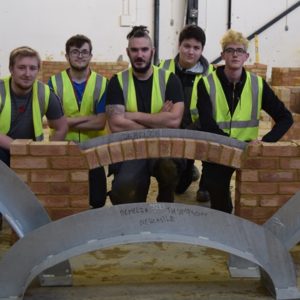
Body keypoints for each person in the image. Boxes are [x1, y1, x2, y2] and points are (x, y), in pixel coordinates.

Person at [196, 29, 293, 213]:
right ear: (222, 54)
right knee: (221, 204)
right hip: (218, 150)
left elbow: (285, 118)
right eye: (230, 50)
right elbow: (207, 124)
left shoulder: (257, 84)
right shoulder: (206, 83)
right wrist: (228, 145)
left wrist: (264, 144)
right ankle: (207, 185)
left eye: (239, 50)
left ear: (246, 56)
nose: (234, 54)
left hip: (249, 150)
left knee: (256, 198)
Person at [106, 25, 184, 205]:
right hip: (131, 149)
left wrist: (131, 115)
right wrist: (158, 120)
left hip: (163, 146)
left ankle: (166, 200)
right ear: (127, 52)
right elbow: (116, 124)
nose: (139, 55)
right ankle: (136, 214)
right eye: (134, 50)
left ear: (152, 51)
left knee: (169, 167)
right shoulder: (117, 81)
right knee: (124, 190)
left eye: (144, 49)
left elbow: (173, 121)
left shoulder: (169, 79)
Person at [49, 34, 108, 209]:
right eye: (75, 52)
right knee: (64, 199)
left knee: (97, 201)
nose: (80, 56)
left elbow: (100, 123)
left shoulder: (102, 83)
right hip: (64, 149)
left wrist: (66, 121)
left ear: (91, 55)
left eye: (84, 52)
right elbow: (52, 124)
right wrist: (90, 118)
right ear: (67, 56)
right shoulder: (54, 82)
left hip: (94, 149)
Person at [159, 24, 214, 202]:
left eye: (196, 48)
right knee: (179, 189)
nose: (191, 52)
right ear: (179, 46)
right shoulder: (162, 68)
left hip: (199, 131)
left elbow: (212, 111)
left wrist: (191, 131)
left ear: (202, 50)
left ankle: (205, 184)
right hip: (170, 130)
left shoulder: (211, 75)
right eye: (187, 46)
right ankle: (188, 170)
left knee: (213, 147)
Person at [0, 46, 68, 166]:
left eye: (32, 68)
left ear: (38, 70)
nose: (27, 74)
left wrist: (46, 153)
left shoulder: (45, 93)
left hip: (30, 155)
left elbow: (62, 127)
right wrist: (19, 148)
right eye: (21, 68)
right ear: (11, 69)